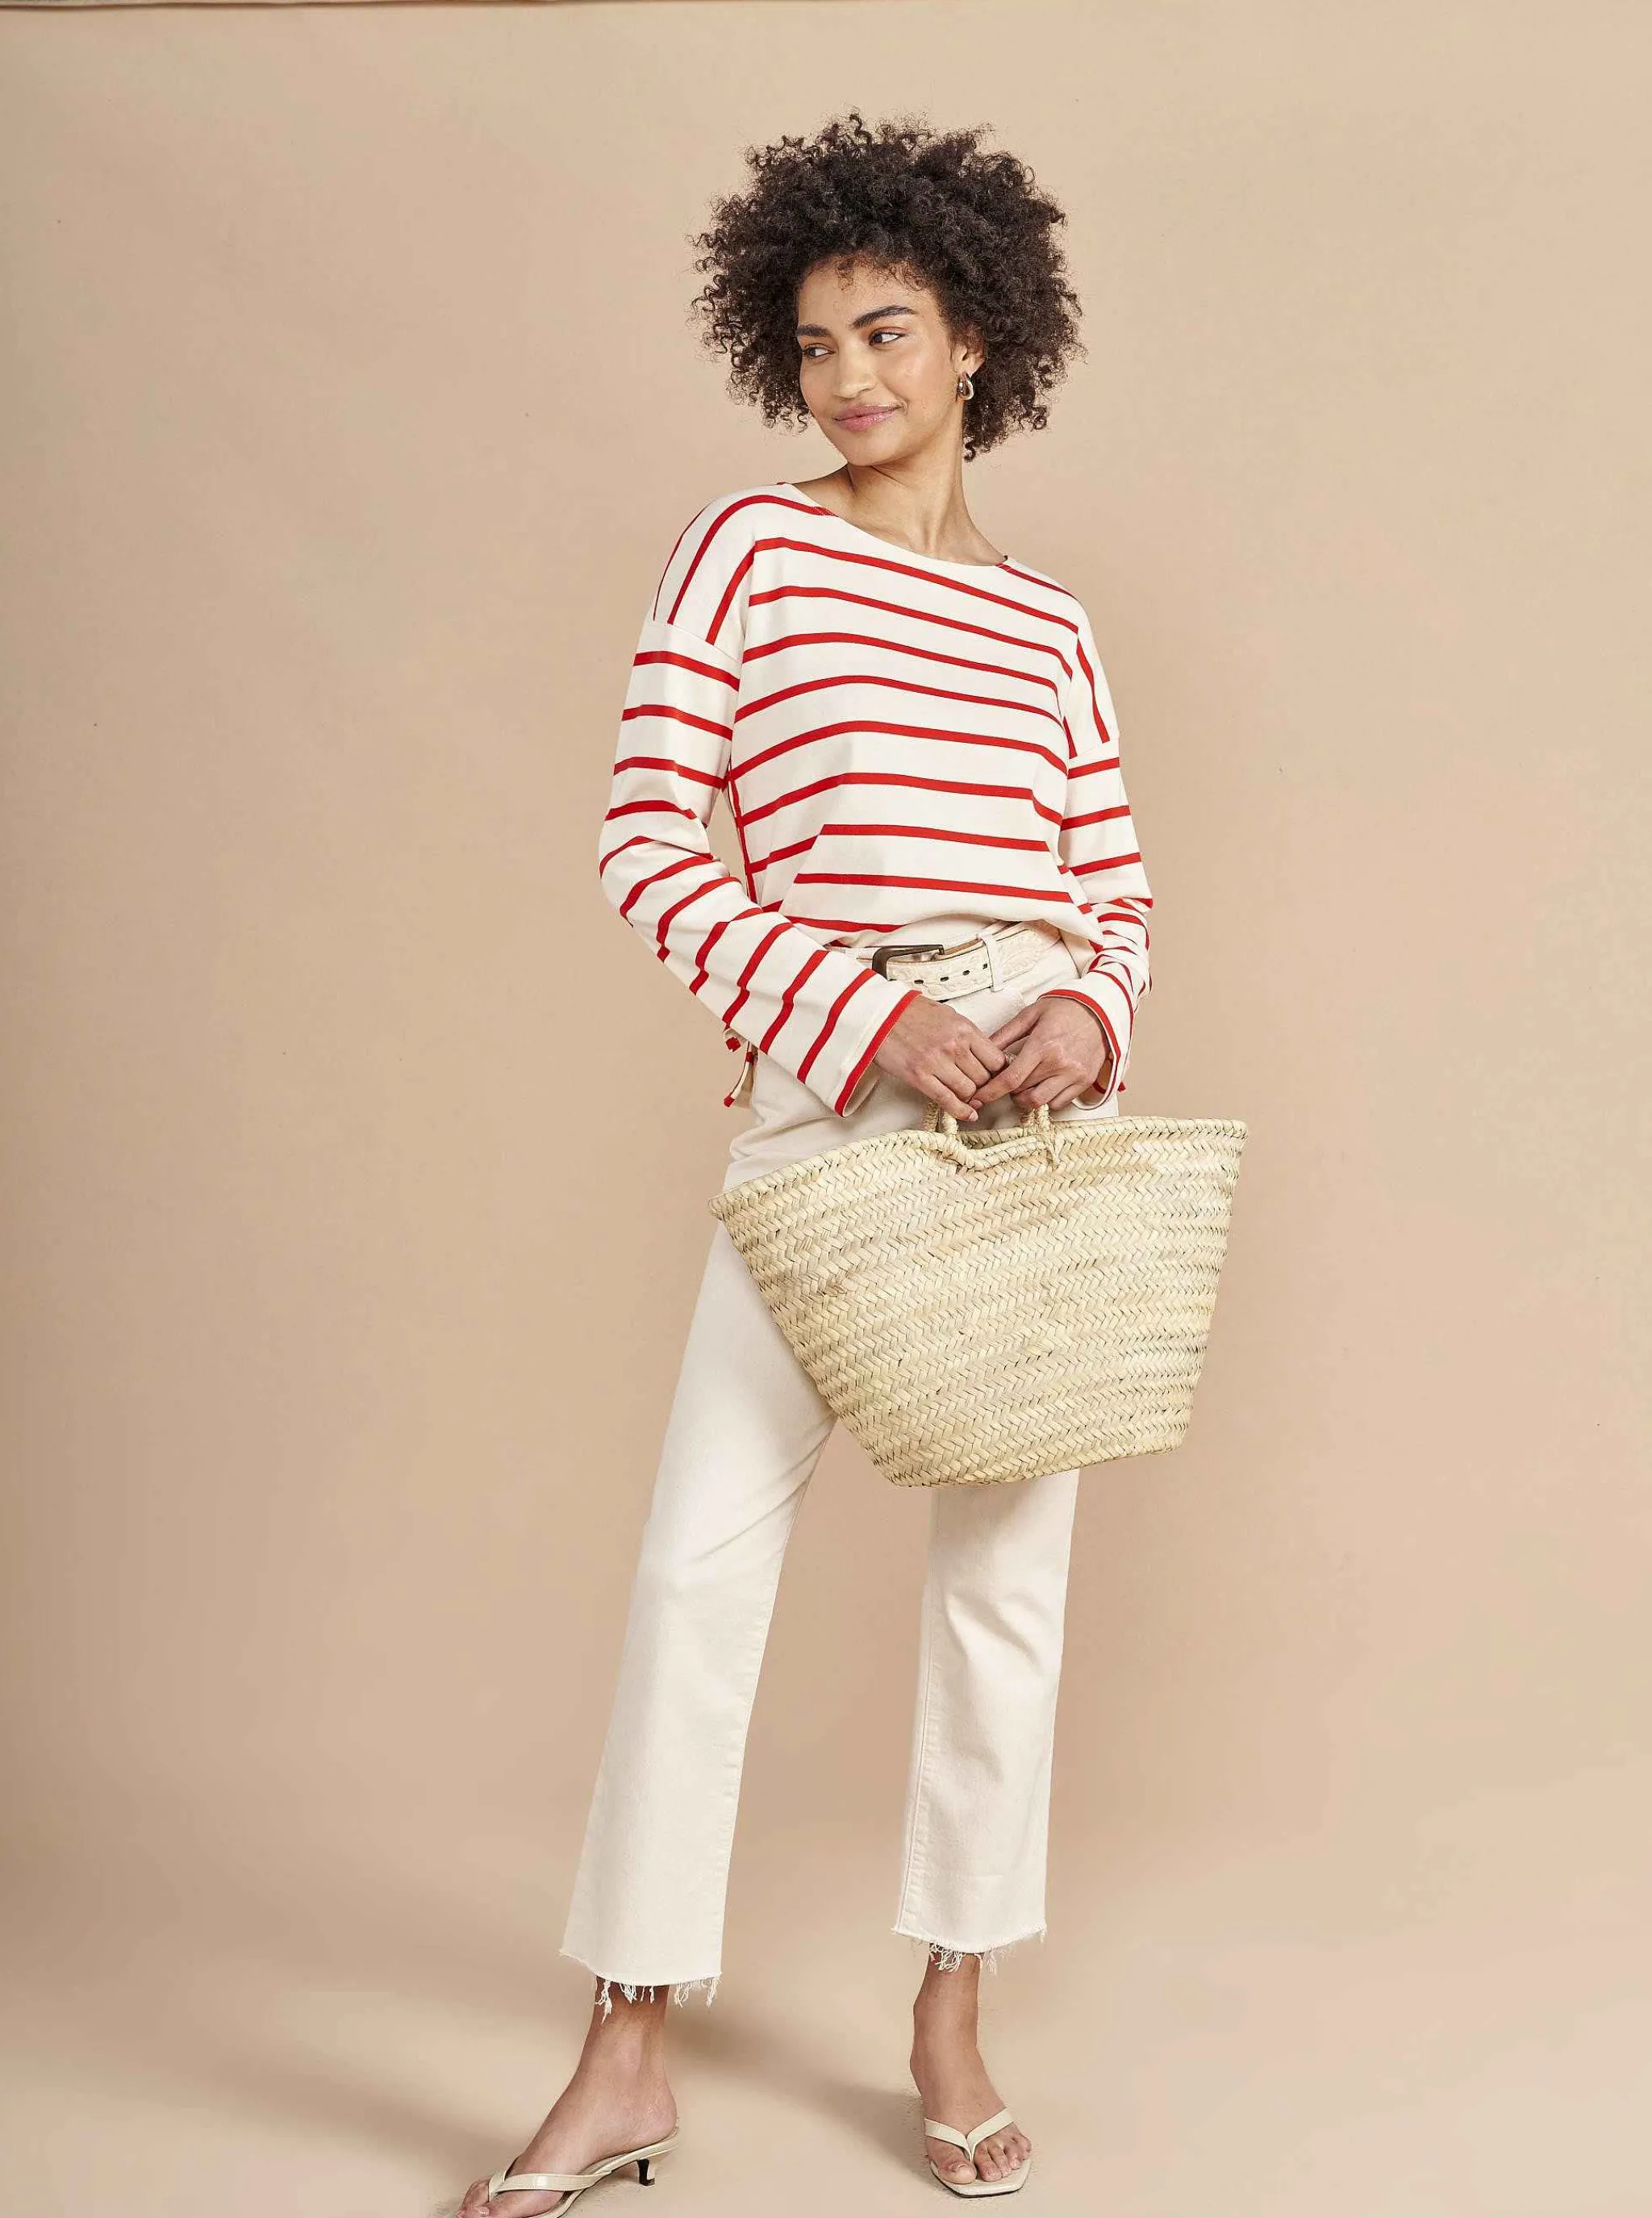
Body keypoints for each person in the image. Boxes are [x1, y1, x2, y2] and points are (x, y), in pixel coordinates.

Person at [458, 109, 1153, 2215]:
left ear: (977, 341)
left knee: (1006, 1584)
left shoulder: (1054, 626)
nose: (846, 376)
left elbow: (1114, 901)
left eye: (889, 330)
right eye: (815, 342)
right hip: (833, 1093)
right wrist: (857, 1021)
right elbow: (647, 846)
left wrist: (1085, 1017)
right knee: (697, 1565)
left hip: (1030, 1118)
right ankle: (627, 2048)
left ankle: (951, 2007)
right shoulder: (745, 554)